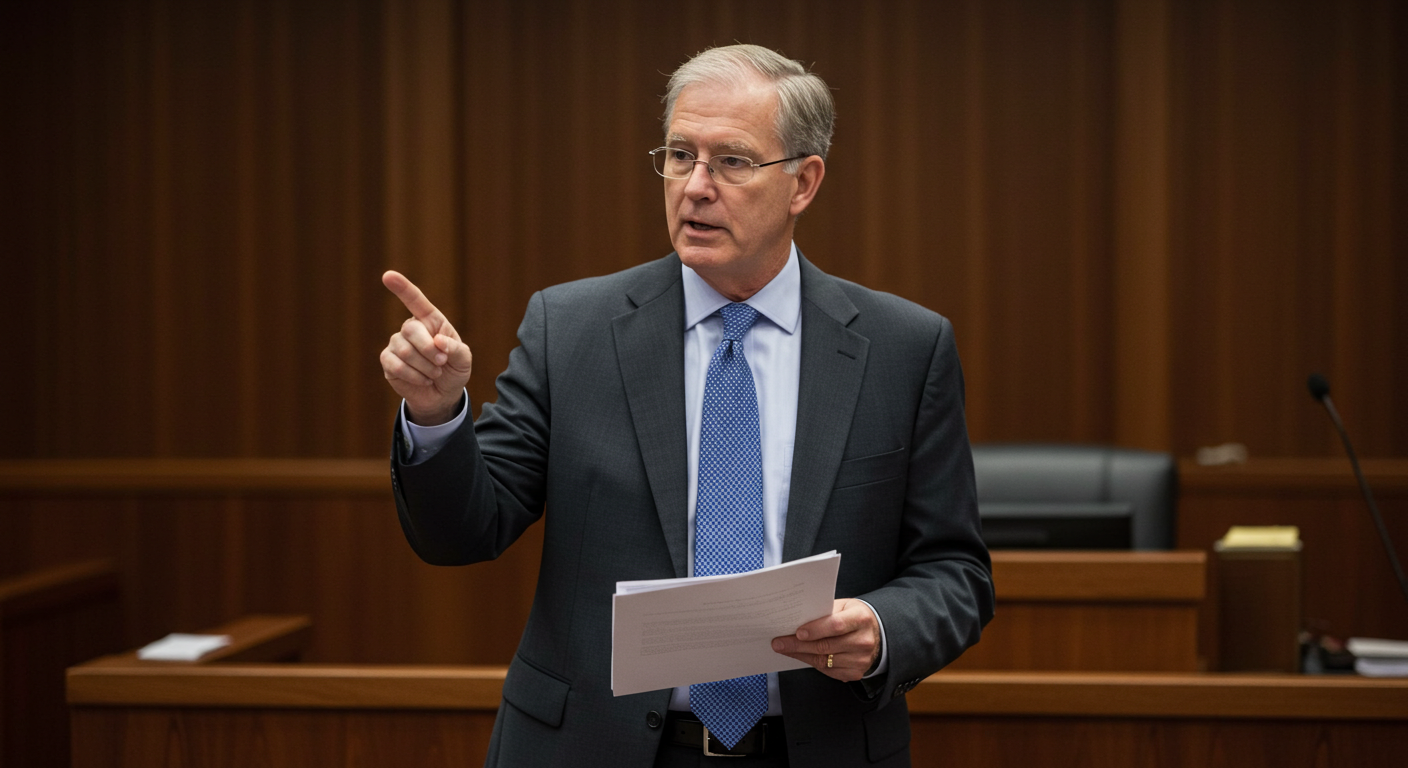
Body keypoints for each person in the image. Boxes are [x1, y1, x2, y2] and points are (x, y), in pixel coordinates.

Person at [380, 44, 993, 768]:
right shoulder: (571, 330)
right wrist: (437, 415)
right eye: (679, 156)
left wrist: (883, 627)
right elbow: (461, 534)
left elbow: (956, 571)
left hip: (814, 746)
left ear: (803, 182)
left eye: (732, 161)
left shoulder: (903, 348)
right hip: (592, 749)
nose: (696, 187)